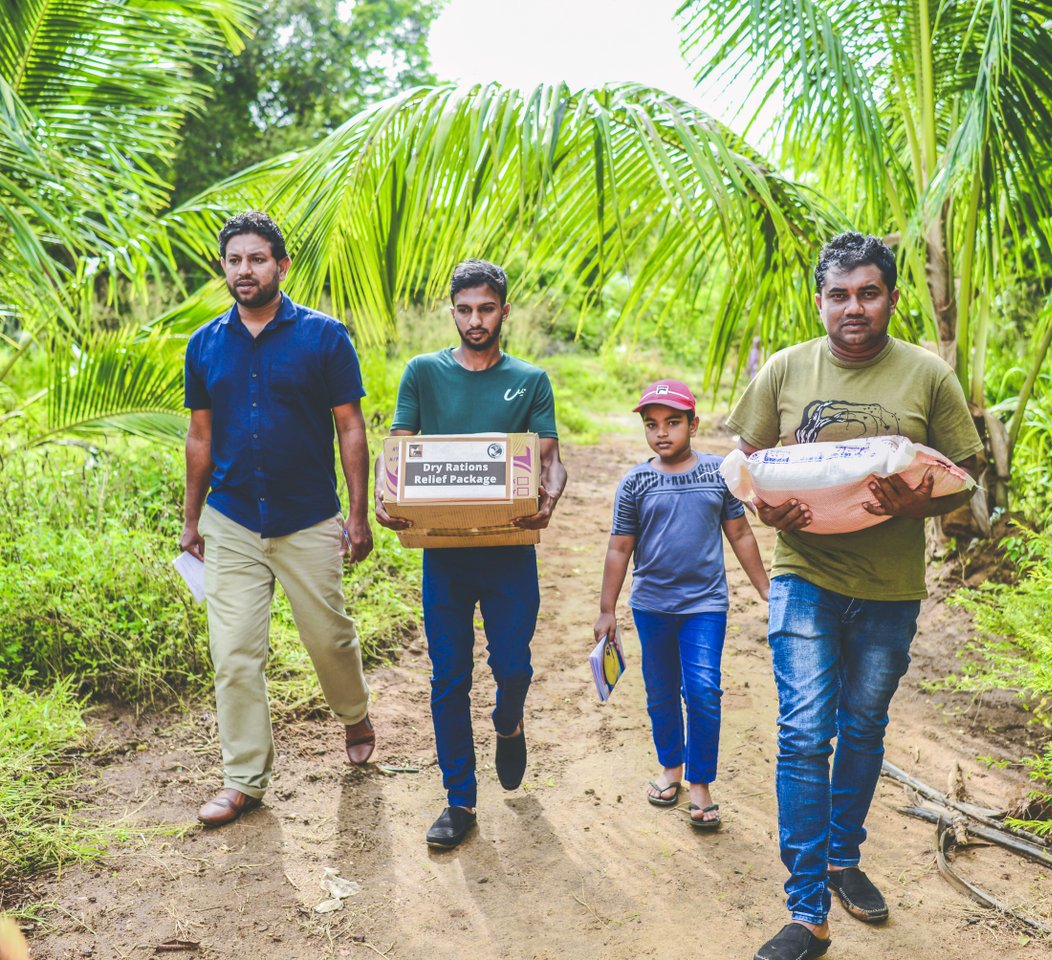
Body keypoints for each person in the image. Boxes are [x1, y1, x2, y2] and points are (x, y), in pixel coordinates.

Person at [727, 232, 983, 960]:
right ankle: (807, 912)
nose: (853, 307)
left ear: (892, 298)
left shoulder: (927, 377)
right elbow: (744, 467)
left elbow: (965, 477)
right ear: (820, 301)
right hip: (804, 575)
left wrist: (917, 508)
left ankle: (844, 858)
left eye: (868, 293)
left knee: (864, 731)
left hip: (890, 590)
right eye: (839, 295)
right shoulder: (784, 371)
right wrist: (762, 507)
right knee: (806, 737)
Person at [180, 211, 377, 828]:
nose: (245, 270)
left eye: (257, 259)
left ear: (281, 266)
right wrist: (191, 522)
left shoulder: (324, 337)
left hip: (308, 518)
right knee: (235, 653)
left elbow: (350, 427)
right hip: (232, 519)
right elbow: (199, 437)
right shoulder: (205, 344)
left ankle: (354, 714)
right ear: (224, 267)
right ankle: (244, 780)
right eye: (235, 260)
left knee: (329, 638)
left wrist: (358, 514)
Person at [374, 259, 567, 850]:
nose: (475, 320)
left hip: (510, 551)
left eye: (486, 309)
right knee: (448, 678)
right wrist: (387, 492)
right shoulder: (422, 373)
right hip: (445, 553)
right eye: (464, 309)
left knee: (513, 667)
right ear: (452, 311)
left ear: (504, 311)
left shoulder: (530, 379)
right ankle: (459, 799)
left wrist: (551, 495)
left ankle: (508, 721)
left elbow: (549, 459)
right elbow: (401, 451)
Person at [594, 380, 770, 830]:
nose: (662, 433)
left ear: (693, 424)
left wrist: (766, 589)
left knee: (704, 691)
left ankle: (700, 783)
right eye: (652, 425)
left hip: (704, 607)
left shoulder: (719, 473)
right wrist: (607, 609)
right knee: (661, 691)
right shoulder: (636, 482)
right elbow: (619, 549)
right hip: (651, 607)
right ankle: (670, 767)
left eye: (673, 423)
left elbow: (741, 534)